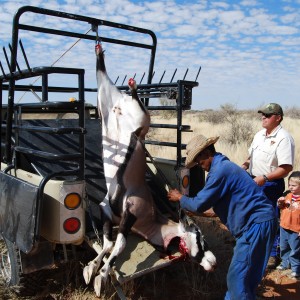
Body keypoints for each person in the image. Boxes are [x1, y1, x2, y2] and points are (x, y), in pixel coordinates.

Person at [168, 134, 277, 300]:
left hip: (254, 225)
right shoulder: (224, 167)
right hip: (261, 222)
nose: (200, 166)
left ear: (206, 153)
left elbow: (199, 204)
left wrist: (180, 198)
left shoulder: (220, 171)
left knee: (237, 277)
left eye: (199, 161)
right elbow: (213, 210)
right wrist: (194, 211)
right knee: (248, 275)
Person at [241, 102, 295, 269]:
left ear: (278, 118)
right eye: (262, 114)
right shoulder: (259, 135)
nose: (263, 117)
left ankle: (272, 254)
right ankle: (253, 246)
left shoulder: (284, 138)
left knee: (269, 219)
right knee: (252, 216)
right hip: (253, 181)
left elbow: (286, 168)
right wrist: (244, 166)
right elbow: (251, 157)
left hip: (269, 185)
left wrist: (264, 177)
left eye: (267, 115)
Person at [276, 171, 300, 279]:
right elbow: (281, 207)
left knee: (295, 249)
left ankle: (296, 269)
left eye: (294, 185)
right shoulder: (287, 195)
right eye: (289, 184)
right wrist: (280, 202)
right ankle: (285, 263)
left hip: (296, 229)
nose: (290, 187)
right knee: (284, 247)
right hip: (284, 226)